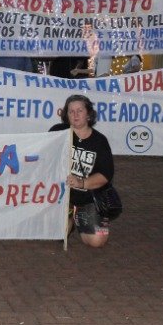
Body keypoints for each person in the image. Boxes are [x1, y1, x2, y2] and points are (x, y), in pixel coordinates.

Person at [49, 94, 113, 248]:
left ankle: (79, 217)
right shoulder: (57, 132)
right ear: (66, 114)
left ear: (89, 114)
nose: (75, 115)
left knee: (98, 241)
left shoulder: (100, 141)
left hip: (89, 198)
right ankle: (67, 216)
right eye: (71, 111)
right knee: (55, 234)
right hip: (60, 197)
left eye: (80, 111)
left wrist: (81, 182)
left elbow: (105, 175)